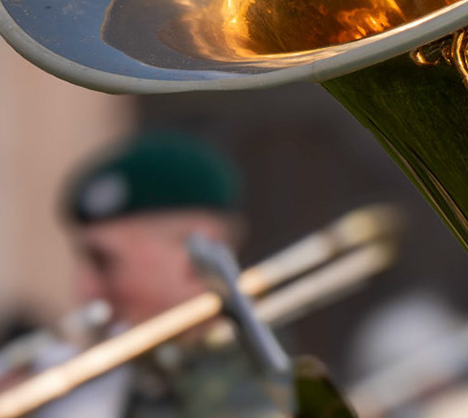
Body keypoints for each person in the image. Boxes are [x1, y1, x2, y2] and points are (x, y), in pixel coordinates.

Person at [60, 131, 354, 418]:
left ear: (195, 257)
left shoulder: (266, 391)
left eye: (103, 261)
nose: (86, 288)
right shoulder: (127, 378)